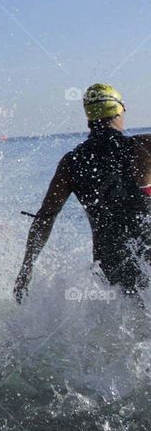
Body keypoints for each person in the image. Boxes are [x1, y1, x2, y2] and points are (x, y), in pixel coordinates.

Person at [14, 84, 151, 302]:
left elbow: (46, 217)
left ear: (89, 118)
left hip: (108, 268)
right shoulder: (144, 147)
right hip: (147, 259)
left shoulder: (71, 163)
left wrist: (26, 268)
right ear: (120, 109)